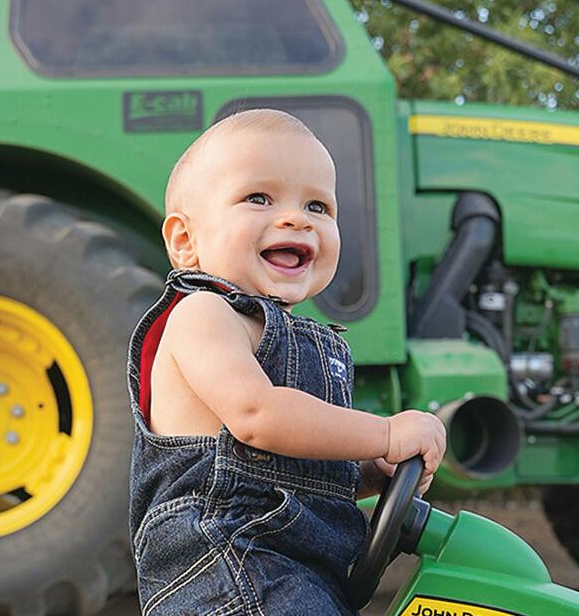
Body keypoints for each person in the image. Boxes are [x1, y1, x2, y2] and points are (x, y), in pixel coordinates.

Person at [126, 108, 447, 615]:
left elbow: (289, 465)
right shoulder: (203, 314)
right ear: (185, 242)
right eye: (259, 198)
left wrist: (366, 474)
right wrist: (385, 434)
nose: (297, 218)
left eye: (318, 206)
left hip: (293, 573)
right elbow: (257, 418)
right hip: (229, 567)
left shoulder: (308, 341)